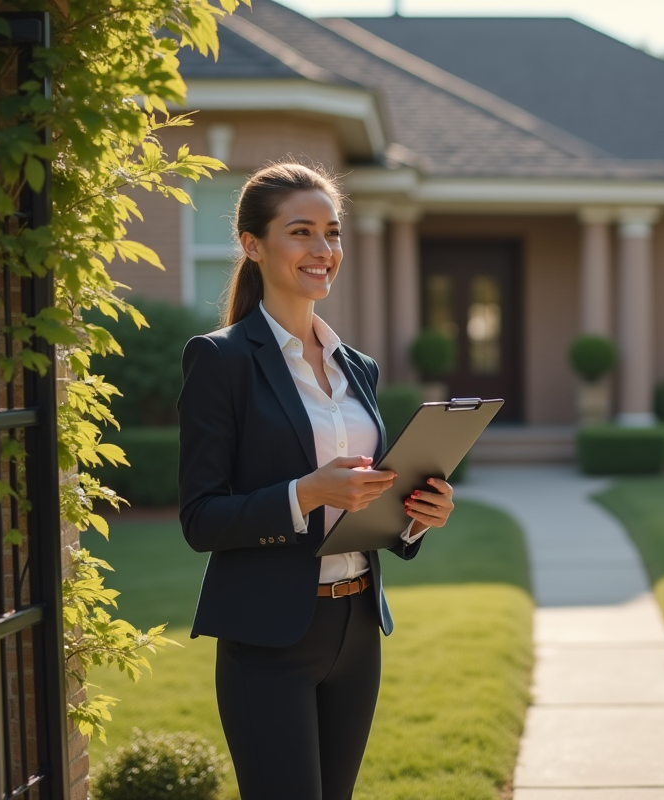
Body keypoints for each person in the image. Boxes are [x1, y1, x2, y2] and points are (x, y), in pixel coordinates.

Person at [177, 162, 455, 800]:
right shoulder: (220, 361)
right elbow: (201, 518)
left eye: (331, 233)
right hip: (268, 634)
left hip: (357, 627)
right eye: (300, 232)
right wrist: (309, 492)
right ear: (253, 245)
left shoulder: (358, 366)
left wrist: (417, 513)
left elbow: (367, 496)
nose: (323, 250)